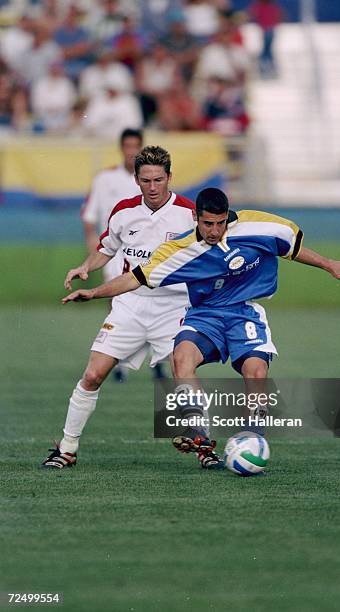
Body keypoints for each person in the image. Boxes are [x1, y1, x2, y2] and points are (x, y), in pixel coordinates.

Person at [61, 187, 340, 468]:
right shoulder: (179, 251)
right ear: (195, 218)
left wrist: (330, 264)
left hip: (244, 313)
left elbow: (291, 245)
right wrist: (93, 293)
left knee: (256, 372)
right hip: (204, 315)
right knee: (181, 357)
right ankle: (199, 430)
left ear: (228, 217)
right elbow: (134, 278)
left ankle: (254, 436)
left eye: (220, 223)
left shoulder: (258, 226)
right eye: (208, 224)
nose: (214, 230)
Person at [42, 146, 196, 469]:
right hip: (130, 305)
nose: (153, 187)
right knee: (93, 373)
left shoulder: (188, 213)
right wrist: (86, 267)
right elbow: (106, 248)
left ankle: (203, 444)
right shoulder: (124, 211)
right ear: (136, 179)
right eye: (145, 180)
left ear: (169, 177)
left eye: (158, 180)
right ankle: (67, 449)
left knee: (184, 371)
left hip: (174, 307)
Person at [81, 127, 143, 381]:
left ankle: (149, 355)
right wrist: (91, 245)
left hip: (144, 250)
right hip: (114, 251)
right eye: (127, 146)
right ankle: (118, 359)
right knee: (115, 299)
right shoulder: (105, 179)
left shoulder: (149, 179)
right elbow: (89, 215)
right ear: (121, 148)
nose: (131, 152)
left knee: (147, 301)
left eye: (135, 147)